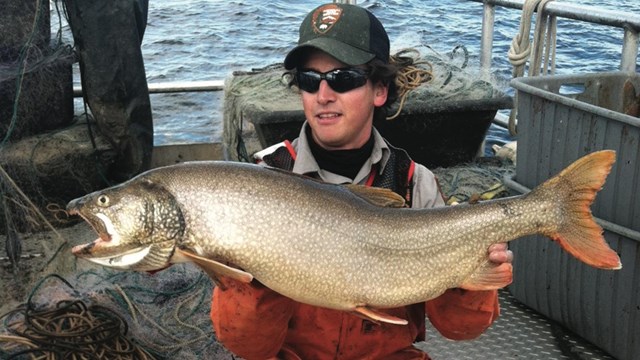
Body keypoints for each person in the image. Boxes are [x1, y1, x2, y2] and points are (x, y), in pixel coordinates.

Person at [210, 3, 513, 359]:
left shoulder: (416, 184)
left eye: (343, 78)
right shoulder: (263, 180)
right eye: (310, 80)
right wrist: (253, 280)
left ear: (380, 90)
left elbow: (460, 329)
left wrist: (474, 279)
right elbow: (244, 344)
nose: (323, 96)